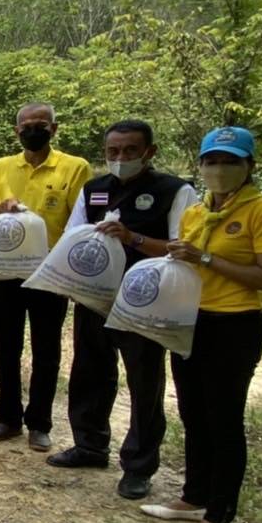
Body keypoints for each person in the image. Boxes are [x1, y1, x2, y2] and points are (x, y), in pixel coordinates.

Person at [143, 126, 262, 523]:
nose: (219, 170)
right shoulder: (195, 212)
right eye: (212, 161)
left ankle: (219, 513)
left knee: (224, 419)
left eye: (230, 162)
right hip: (191, 321)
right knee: (192, 412)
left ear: (249, 166)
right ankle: (193, 496)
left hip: (234, 325)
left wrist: (207, 257)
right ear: (201, 165)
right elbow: (185, 260)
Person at [54, 120, 198, 498]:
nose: (120, 159)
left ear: (149, 152)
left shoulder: (174, 191)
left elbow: (185, 249)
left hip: (147, 303)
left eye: (130, 151)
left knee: (144, 381)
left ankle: (138, 465)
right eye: (113, 152)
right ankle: (89, 444)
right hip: (96, 297)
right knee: (89, 371)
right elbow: (74, 236)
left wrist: (133, 238)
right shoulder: (94, 189)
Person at [0, 103, 91, 450]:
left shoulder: (75, 167)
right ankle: (8, 416)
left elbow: (82, 222)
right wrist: (3, 207)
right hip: (7, 272)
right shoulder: (0, 168)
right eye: (26, 126)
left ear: (54, 129)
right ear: (17, 132)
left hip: (51, 273)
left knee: (46, 348)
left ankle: (39, 422)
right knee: (4, 345)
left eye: (40, 125)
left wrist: (74, 274)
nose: (32, 130)